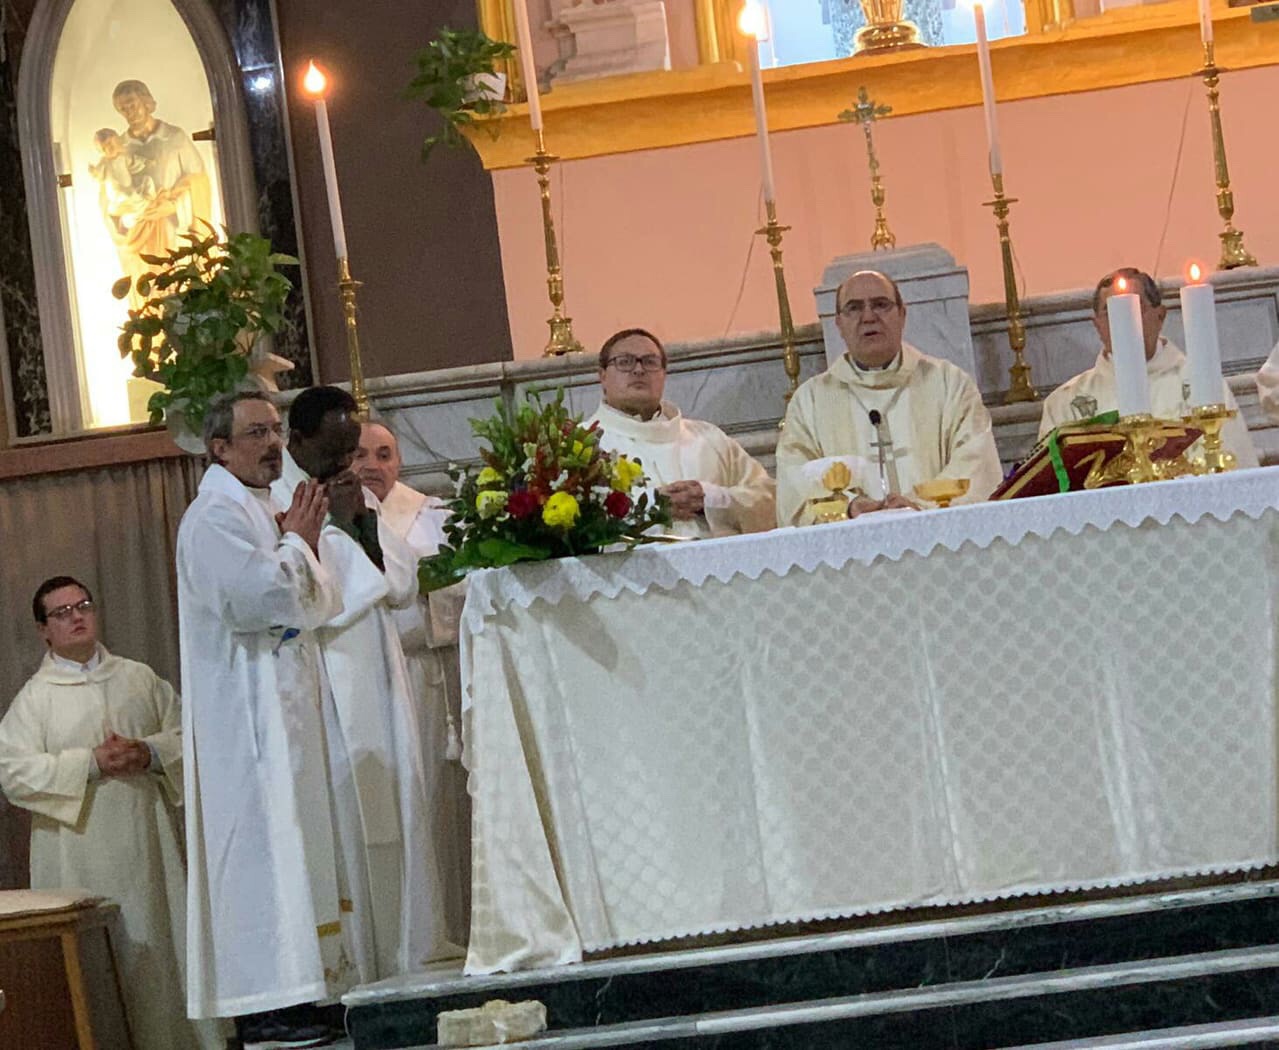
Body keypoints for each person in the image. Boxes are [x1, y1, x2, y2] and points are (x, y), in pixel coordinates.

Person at [177, 390, 347, 1049]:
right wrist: (298, 544)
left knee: (293, 845)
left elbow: (319, 601)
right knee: (257, 851)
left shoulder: (253, 506)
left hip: (279, 703)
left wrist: (297, 547)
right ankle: (265, 1003)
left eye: (276, 430)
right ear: (219, 447)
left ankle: (302, 988)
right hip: (242, 717)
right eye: (256, 433)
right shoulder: (213, 515)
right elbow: (259, 600)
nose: (273, 443)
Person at [0, 578, 220, 1050]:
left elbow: (192, 736)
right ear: (44, 631)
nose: (76, 616)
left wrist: (149, 753)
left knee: (162, 958)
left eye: (82, 606)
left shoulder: (138, 678)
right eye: (61, 613)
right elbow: (11, 772)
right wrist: (90, 764)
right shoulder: (35, 699)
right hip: (77, 856)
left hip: (148, 848)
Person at [273, 387, 448, 980]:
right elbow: (305, 595)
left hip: (379, 670)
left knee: (398, 808)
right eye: (336, 448)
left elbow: (399, 584)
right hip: (323, 676)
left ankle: (411, 949)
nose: (349, 461)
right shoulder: (279, 503)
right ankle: (354, 963)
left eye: (353, 448)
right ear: (296, 443)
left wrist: (359, 524)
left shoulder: (356, 497)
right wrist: (338, 528)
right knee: (344, 818)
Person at [355, 421, 470, 946]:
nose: (373, 466)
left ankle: (449, 926)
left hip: (425, 677)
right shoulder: (337, 519)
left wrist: (420, 592)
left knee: (435, 804)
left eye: (386, 454)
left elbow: (471, 586)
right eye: (362, 455)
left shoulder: (434, 516)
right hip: (362, 683)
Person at [776, 270, 1003, 526]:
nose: (868, 317)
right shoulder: (810, 402)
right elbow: (793, 481)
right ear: (838, 323)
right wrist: (848, 507)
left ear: (902, 314)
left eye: (881, 305)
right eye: (854, 308)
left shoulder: (949, 384)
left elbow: (976, 462)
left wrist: (919, 506)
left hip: (939, 539)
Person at [1039, 267, 1257, 467]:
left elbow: (1235, 466)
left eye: (1136, 306)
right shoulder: (1064, 403)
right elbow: (1050, 488)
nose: (1123, 320)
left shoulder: (1204, 386)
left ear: (1160, 316)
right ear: (1097, 325)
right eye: (1110, 311)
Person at [586, 328, 776, 539]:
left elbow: (769, 498)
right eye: (624, 362)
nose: (638, 370)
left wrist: (712, 499)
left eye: (650, 361)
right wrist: (647, 507)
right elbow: (567, 526)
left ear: (664, 374)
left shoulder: (709, 438)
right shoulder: (582, 444)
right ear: (602, 376)